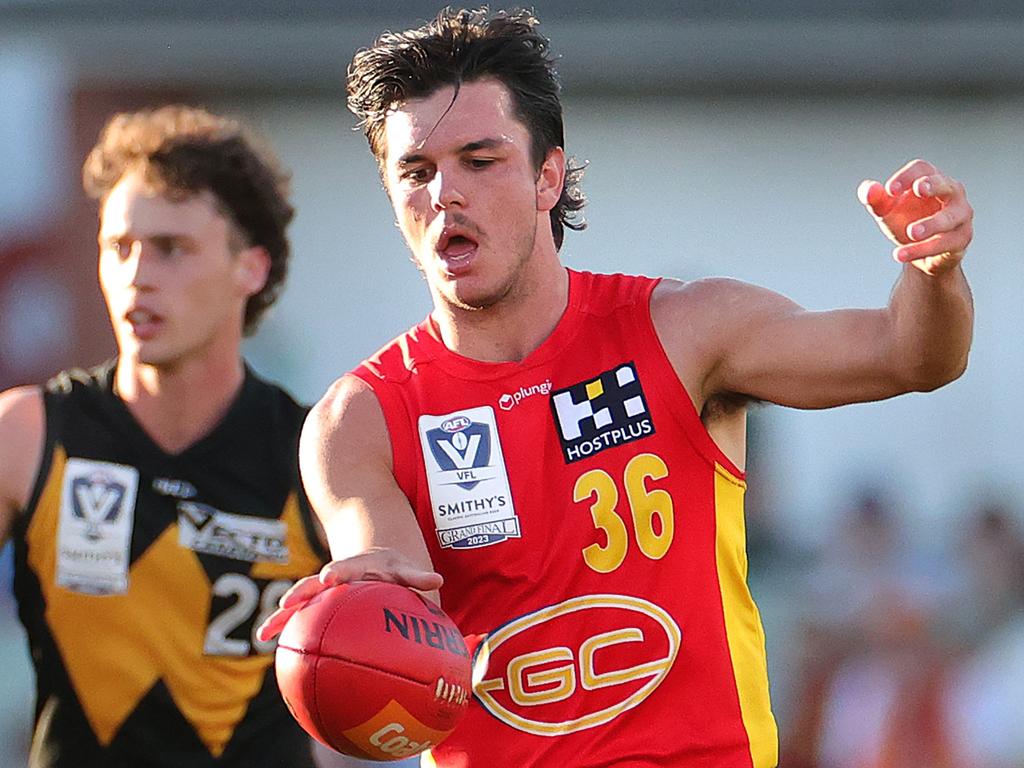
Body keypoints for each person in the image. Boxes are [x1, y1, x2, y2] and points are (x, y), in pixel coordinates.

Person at [258, 7, 974, 767]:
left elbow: (911, 356)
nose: (445, 195)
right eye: (416, 171)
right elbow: (397, 593)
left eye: (479, 159)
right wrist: (353, 618)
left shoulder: (685, 328)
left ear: (547, 175)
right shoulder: (361, 417)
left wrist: (934, 271)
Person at [0, 105, 329, 767]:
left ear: (251, 269)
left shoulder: (320, 451)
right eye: (118, 246)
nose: (137, 274)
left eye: (172, 248)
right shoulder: (26, 434)